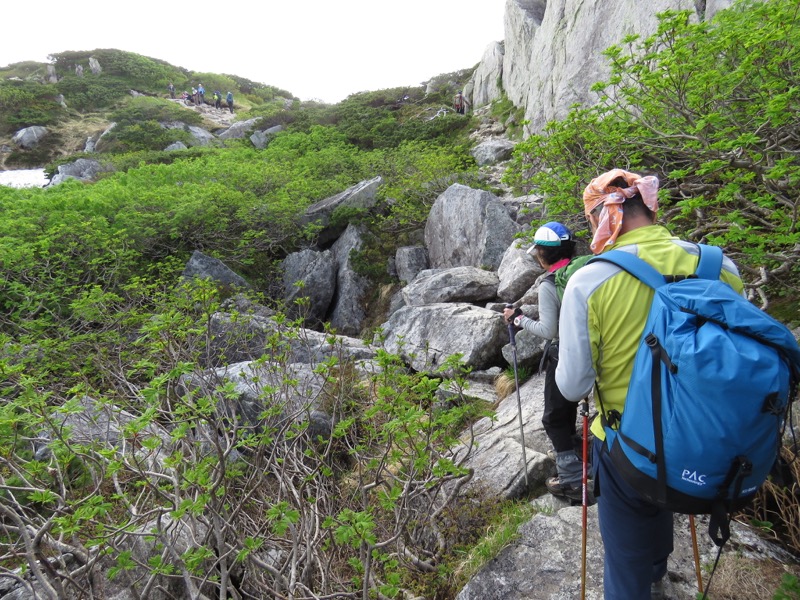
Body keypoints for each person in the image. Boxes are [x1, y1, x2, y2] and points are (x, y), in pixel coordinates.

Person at [555, 169, 744, 599]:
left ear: (606, 216)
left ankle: (643, 577)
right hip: (704, 438)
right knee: (664, 493)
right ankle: (659, 565)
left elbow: (572, 386)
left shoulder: (589, 281)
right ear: (648, 206)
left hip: (629, 444)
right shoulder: (718, 264)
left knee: (625, 558)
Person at [503, 222, 584, 501]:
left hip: (567, 355)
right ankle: (580, 455)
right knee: (567, 409)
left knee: (553, 418)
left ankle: (573, 480)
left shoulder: (550, 284)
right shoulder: (585, 271)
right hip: (598, 350)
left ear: (542, 255)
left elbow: (550, 331)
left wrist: (519, 319)